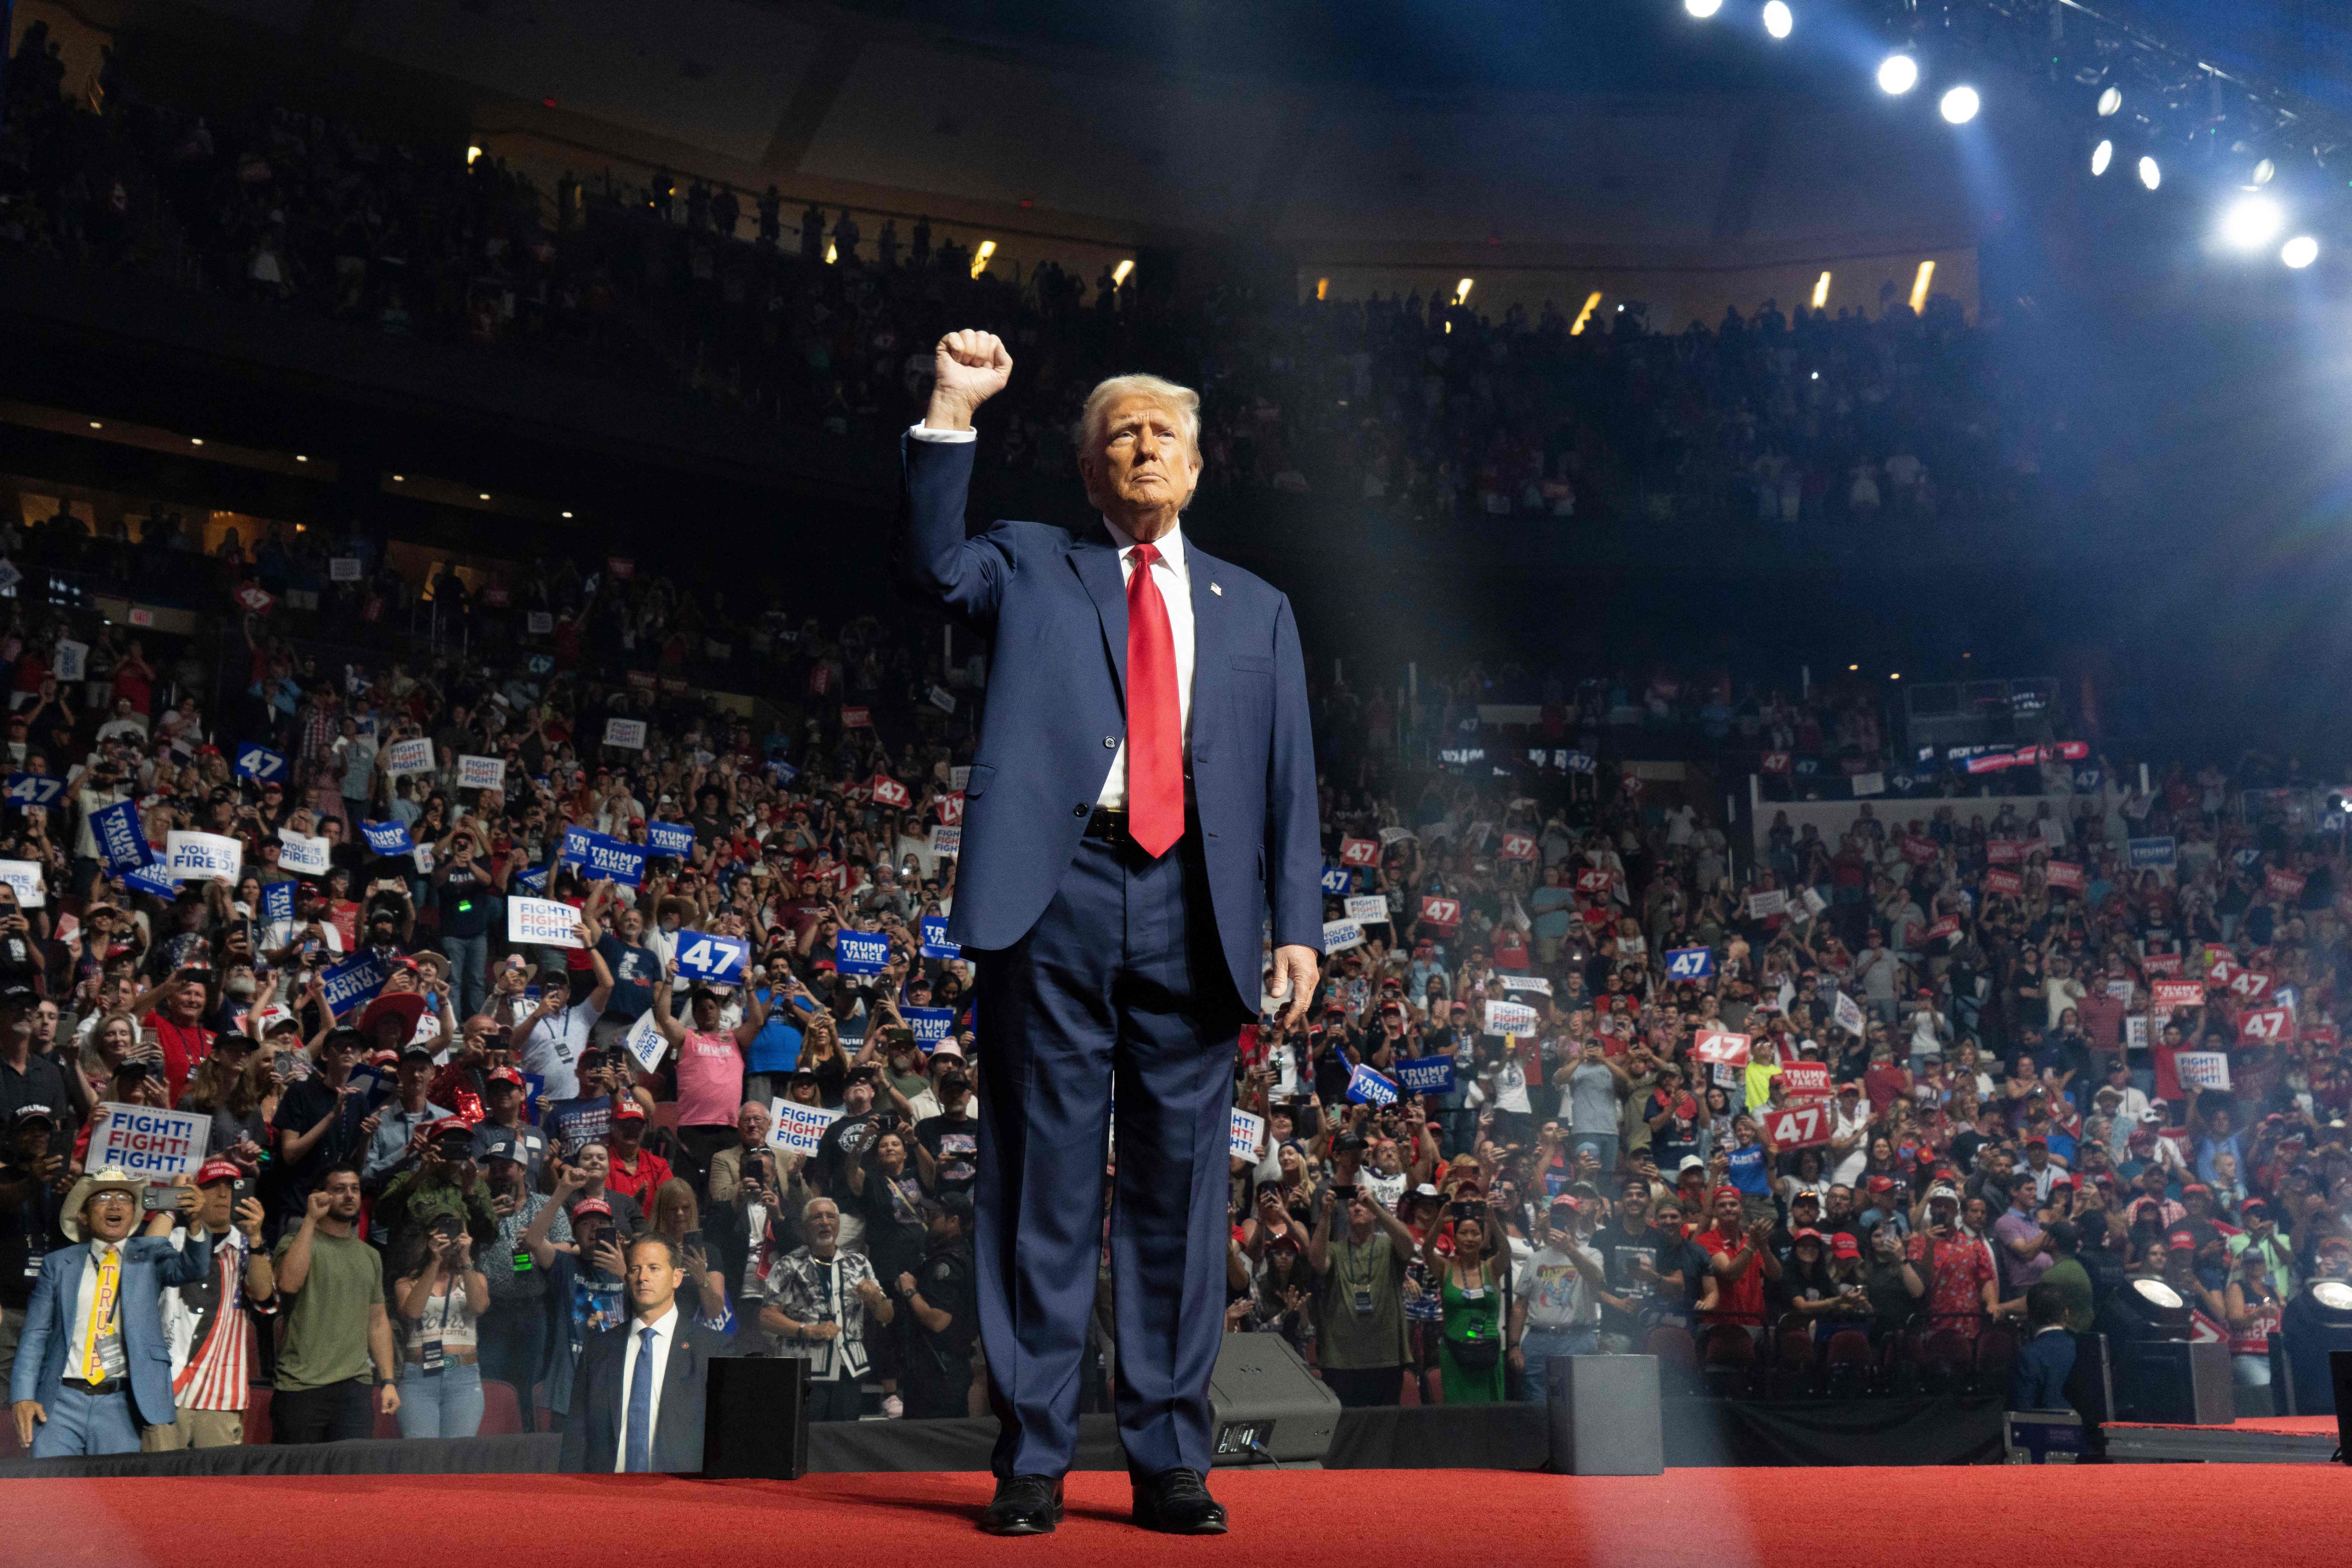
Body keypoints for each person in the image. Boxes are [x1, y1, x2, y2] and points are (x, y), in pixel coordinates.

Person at [906, 331, 1320, 1537]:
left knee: (1180, 1194)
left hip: (1195, 907)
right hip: (1057, 893)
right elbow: (930, 568)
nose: (1144, 446)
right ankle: (1032, 1457)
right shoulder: (1034, 562)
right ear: (1090, 476)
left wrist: (1294, 923)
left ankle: (1169, 1460)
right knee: (1040, 1181)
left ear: (1197, 467)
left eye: (1165, 433)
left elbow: (1294, 781)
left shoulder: (1260, 607)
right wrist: (949, 409)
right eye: (1118, 435)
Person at [10, 1168, 210, 1455]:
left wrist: (194, 1222)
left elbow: (194, 1267)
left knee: (111, 1496)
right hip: (59, 1402)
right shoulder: (58, 1264)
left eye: (124, 1198)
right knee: (50, 1493)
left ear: (134, 1213)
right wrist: (23, 1396)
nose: (115, 1204)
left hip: (120, 1404)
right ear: (83, 1215)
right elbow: (35, 1333)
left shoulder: (150, 1255)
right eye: (103, 1197)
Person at [558, 1232, 734, 1473]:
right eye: (635, 1270)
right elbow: (577, 1435)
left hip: (680, 1499)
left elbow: (724, 1438)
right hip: (605, 1495)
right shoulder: (598, 1349)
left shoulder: (711, 1349)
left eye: (654, 1268)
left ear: (677, 1277)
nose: (643, 1278)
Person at [149, 1158, 276, 1450]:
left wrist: (256, 1237)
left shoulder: (247, 1246)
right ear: (195, 1192)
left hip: (221, 1391)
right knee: (156, 1486)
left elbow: (263, 1296)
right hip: (165, 1389)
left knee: (220, 1491)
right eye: (212, 1186)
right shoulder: (174, 1238)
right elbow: (145, 1259)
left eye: (232, 1187)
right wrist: (172, 1204)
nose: (223, 1194)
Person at [271, 1165, 399, 1443]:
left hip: (355, 1385)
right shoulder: (295, 1242)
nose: (349, 1196)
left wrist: (388, 1381)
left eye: (355, 1189)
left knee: (350, 1482)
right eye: (339, 1189)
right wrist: (309, 1219)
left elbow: (377, 1322)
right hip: (301, 1383)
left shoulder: (370, 1256)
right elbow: (289, 1284)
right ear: (321, 1196)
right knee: (296, 1482)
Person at [759, 1195, 894, 1423]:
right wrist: (808, 1330)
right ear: (805, 1228)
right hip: (805, 1368)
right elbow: (767, 1316)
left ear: (839, 1225)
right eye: (817, 1217)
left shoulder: (859, 1263)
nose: (825, 1221)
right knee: (806, 1436)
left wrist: (876, 1300)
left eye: (831, 1216)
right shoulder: (789, 1264)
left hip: (848, 1367)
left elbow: (886, 1316)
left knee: (844, 1438)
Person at [1306, 1184, 1416, 1409]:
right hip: (1341, 1360)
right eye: (1352, 1205)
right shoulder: (1336, 1249)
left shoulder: (1387, 1245)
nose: (1357, 1208)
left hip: (1386, 1358)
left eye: (1363, 1204)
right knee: (1347, 1432)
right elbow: (1317, 1261)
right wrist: (1326, 1215)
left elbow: (1407, 1243)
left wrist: (1374, 1205)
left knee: (1383, 1431)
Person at [391, 1215, 489, 1438]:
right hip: (419, 1377)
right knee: (422, 1456)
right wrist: (434, 1263)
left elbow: (479, 1306)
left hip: (464, 1377)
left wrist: (465, 1258)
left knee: (459, 1457)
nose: (449, 1240)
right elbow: (413, 1312)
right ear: (427, 1240)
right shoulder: (406, 1283)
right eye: (441, 1233)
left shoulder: (475, 1278)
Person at [1511, 1196, 1604, 1397]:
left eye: (1568, 1215)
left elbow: (1598, 1281)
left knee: (1580, 1403)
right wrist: (1514, 1346)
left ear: (1578, 1218)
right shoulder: (1535, 1259)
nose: (1563, 1220)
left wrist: (1571, 1250)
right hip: (1539, 1339)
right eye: (1558, 1215)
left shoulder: (1592, 1253)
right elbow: (1520, 1304)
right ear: (1550, 1219)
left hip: (1577, 1337)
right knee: (1537, 1405)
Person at [895, 1192, 977, 1419]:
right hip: (945, 1368)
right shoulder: (963, 1255)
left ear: (954, 1221)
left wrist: (910, 1290)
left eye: (936, 1215)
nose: (929, 1217)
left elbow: (938, 1320)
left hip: (937, 1373)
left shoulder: (948, 1264)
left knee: (927, 1446)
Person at [2007, 1281, 2077, 1411]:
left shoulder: (2028, 1356)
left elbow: (2021, 1411)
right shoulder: (2083, 1347)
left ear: (2029, 1316)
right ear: (2066, 1314)